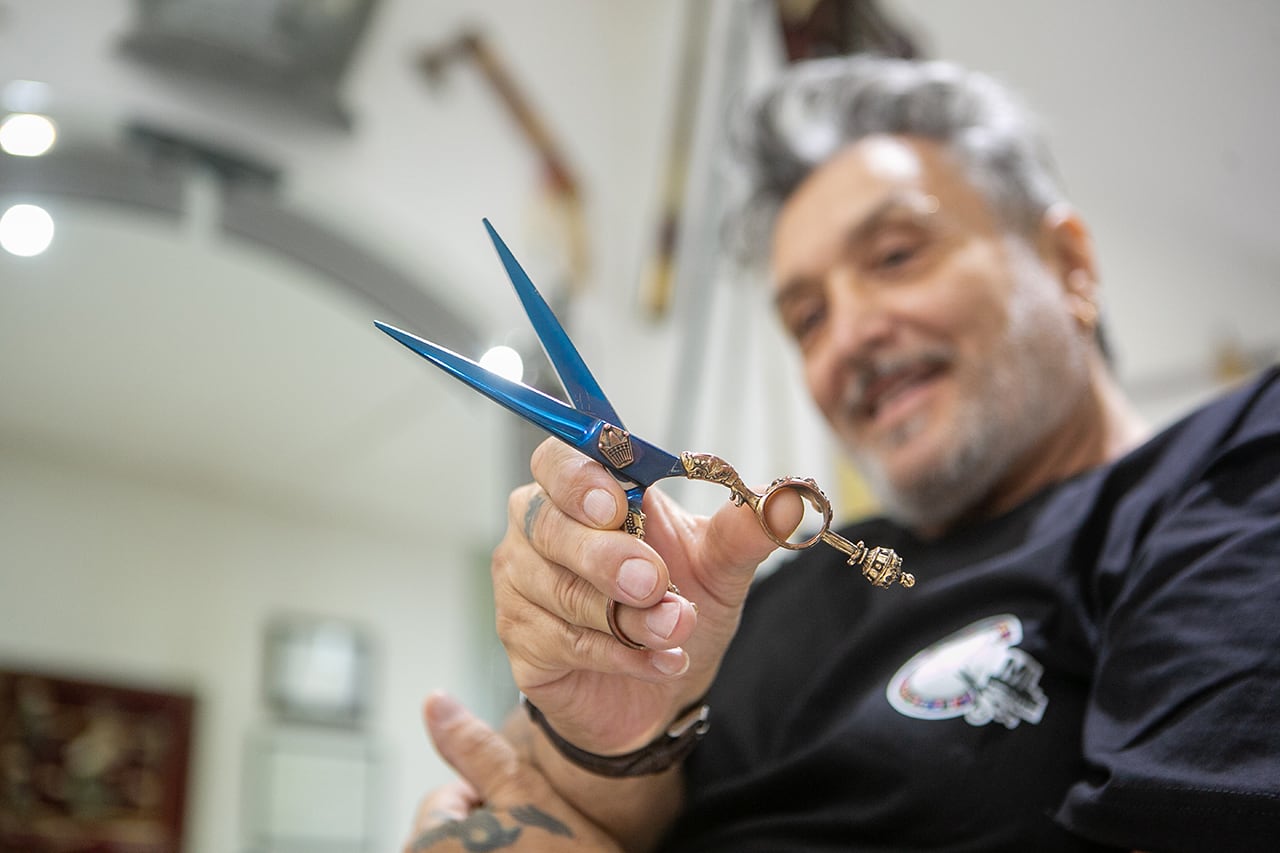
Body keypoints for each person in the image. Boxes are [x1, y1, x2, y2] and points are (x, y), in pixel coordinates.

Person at [402, 55, 1280, 853]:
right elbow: (499, 812)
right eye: (808, 318)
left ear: (1067, 263)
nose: (850, 335)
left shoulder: (1239, 469)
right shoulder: (751, 595)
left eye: (896, 255)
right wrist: (610, 747)